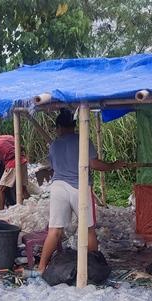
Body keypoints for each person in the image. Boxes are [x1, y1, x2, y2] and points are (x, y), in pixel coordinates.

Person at [37, 108, 132, 274]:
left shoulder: (54, 145)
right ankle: (92, 266)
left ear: (59, 127)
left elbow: (53, 168)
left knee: (55, 230)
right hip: (79, 187)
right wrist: (113, 166)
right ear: (73, 126)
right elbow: (95, 164)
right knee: (88, 229)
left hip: (58, 187)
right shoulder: (83, 141)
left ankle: (41, 267)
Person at [0, 126, 28, 209]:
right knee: (23, 190)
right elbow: (22, 147)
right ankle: (30, 207)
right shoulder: (9, 137)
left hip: (12, 164)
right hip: (23, 161)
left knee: (0, 189)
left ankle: (1, 211)